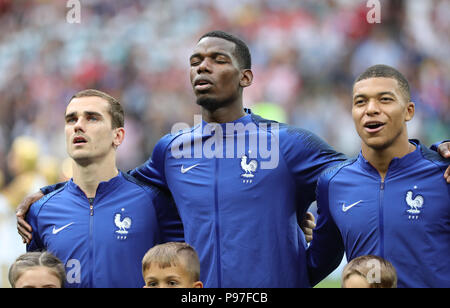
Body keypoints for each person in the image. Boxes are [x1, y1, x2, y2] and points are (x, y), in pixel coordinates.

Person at [16, 32, 450, 288]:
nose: (202, 67)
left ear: (245, 78)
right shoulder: (173, 149)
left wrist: (437, 153)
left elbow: (367, 170)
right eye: (195, 61)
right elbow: (116, 183)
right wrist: (53, 192)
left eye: (217, 60)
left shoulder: (287, 144)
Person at [308, 64, 450, 288]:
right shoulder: (332, 183)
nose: (371, 109)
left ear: (409, 111)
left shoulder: (444, 173)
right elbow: (315, 264)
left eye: (385, 99)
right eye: (360, 102)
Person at [25, 89, 183, 287]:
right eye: (71, 119)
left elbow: (183, 273)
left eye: (92, 118)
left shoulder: (153, 202)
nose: (78, 126)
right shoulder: (40, 211)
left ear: (118, 136)